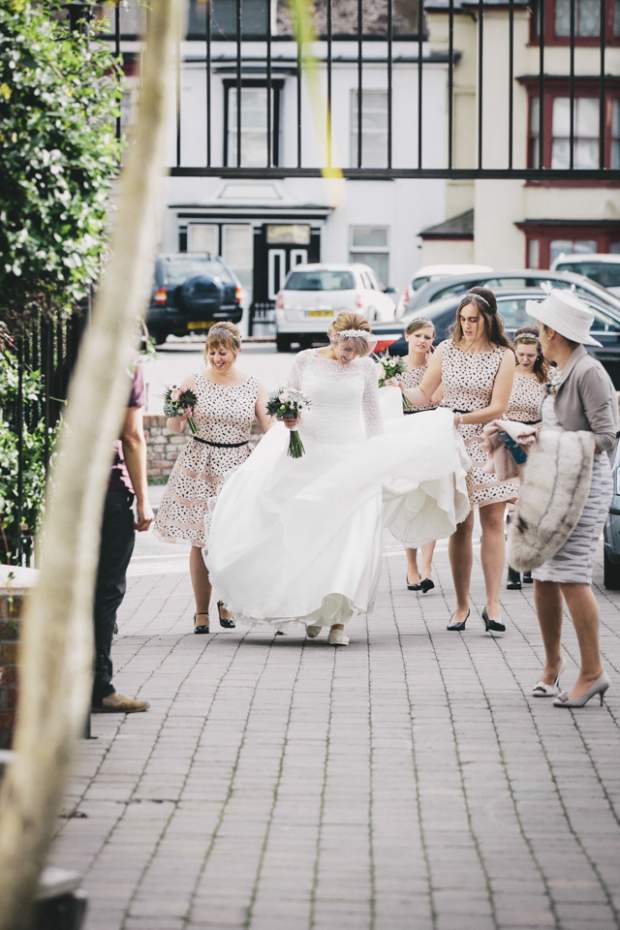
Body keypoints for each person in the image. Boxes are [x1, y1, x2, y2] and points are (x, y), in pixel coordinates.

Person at [206, 312, 470, 646]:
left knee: (349, 538)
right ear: (334, 337)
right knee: (307, 536)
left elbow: (373, 417)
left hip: (350, 456)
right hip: (307, 456)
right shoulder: (305, 361)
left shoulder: (365, 368)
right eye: (346, 349)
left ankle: (339, 620)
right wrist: (290, 418)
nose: (350, 357)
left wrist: (379, 457)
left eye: (357, 351)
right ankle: (313, 608)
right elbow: (289, 400)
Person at [401, 287, 516, 634]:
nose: (467, 325)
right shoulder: (447, 351)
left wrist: (460, 419)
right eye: (463, 319)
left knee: (494, 523)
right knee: (461, 526)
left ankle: (493, 604)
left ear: (489, 320)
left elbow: (499, 406)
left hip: (490, 440)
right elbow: (423, 393)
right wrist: (392, 393)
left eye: (474, 320)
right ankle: (462, 604)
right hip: (451, 443)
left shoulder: (504, 355)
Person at [526, 290, 617, 707]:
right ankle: (551, 667)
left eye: (542, 329)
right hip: (558, 478)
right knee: (543, 576)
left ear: (553, 332)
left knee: (571, 574)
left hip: (585, 484)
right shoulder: (561, 368)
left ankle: (593, 672)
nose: (538, 337)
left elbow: (606, 438)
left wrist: (547, 440)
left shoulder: (590, 372)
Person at [154, 322, 271, 633]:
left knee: (232, 538)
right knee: (200, 539)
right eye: (213, 352)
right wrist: (180, 412)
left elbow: (269, 428)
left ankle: (227, 600)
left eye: (224, 353)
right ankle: (201, 612)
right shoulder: (193, 382)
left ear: (236, 351)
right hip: (200, 464)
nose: (218, 358)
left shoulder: (253, 385)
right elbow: (173, 427)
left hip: (236, 465)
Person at [92, 363, 154, 713]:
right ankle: (100, 686)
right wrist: (144, 501)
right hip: (108, 489)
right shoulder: (124, 363)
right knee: (106, 591)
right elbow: (131, 435)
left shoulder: (68, 356)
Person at [505, 328, 548, 590]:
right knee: (514, 506)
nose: (524, 359)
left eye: (530, 355)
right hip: (510, 440)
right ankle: (513, 567)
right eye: (520, 354)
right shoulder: (508, 376)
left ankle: (530, 561)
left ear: (537, 355)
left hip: (538, 440)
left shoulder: (545, 378)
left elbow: (552, 411)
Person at [400, 319, 440, 593]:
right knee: (409, 502)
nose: (422, 341)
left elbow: (437, 398)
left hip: (430, 436)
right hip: (403, 437)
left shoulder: (436, 367)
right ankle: (411, 567)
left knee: (430, 501)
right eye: (417, 335)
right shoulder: (394, 367)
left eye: (427, 336)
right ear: (408, 336)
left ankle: (427, 568)